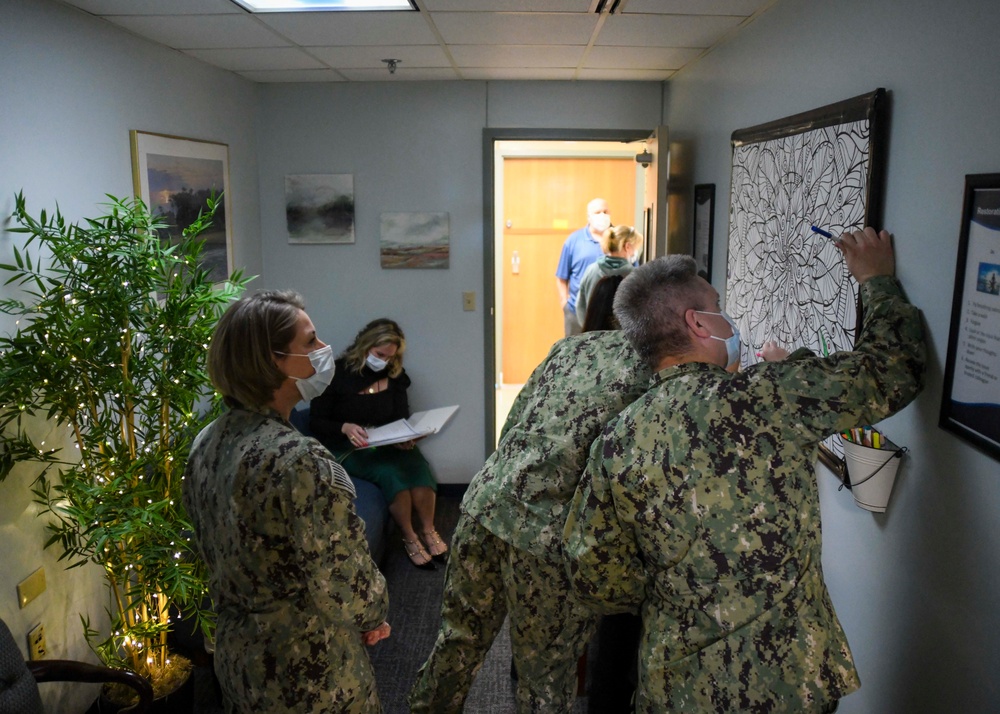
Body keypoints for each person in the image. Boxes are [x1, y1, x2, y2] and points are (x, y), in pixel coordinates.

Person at [563, 228, 926, 713]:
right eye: (718, 306)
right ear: (698, 323)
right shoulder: (771, 398)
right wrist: (876, 280)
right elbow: (893, 369)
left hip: (677, 688)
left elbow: (596, 577)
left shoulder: (617, 438)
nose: (729, 318)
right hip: (784, 685)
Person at [409, 329, 652, 713]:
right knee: (544, 675)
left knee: (458, 641)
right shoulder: (660, 372)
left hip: (487, 504)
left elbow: (513, 425)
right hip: (545, 542)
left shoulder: (571, 348)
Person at [183, 290, 390, 714]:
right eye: (310, 342)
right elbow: (346, 584)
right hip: (310, 675)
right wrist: (374, 615)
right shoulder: (300, 461)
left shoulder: (206, 442)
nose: (322, 351)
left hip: (240, 664)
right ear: (273, 360)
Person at [310, 318, 447, 570]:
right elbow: (316, 421)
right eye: (379, 354)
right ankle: (409, 536)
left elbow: (400, 417)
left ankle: (428, 530)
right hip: (348, 446)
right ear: (365, 346)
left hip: (385, 443)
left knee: (417, 466)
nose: (383, 361)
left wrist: (407, 438)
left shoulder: (394, 376)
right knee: (390, 473)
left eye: (389, 357)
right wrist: (345, 427)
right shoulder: (336, 374)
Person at [556, 197, 612, 337]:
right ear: (589, 216)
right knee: (575, 353)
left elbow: (633, 274)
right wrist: (565, 303)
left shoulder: (620, 239)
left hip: (611, 314)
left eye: (605, 211)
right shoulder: (574, 241)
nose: (602, 216)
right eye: (597, 212)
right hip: (576, 313)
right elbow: (561, 277)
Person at [574, 224, 642, 328]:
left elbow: (580, 306)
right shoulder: (635, 276)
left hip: (593, 335)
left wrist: (589, 329)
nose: (635, 252)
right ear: (627, 246)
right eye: (635, 248)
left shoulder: (591, 271)